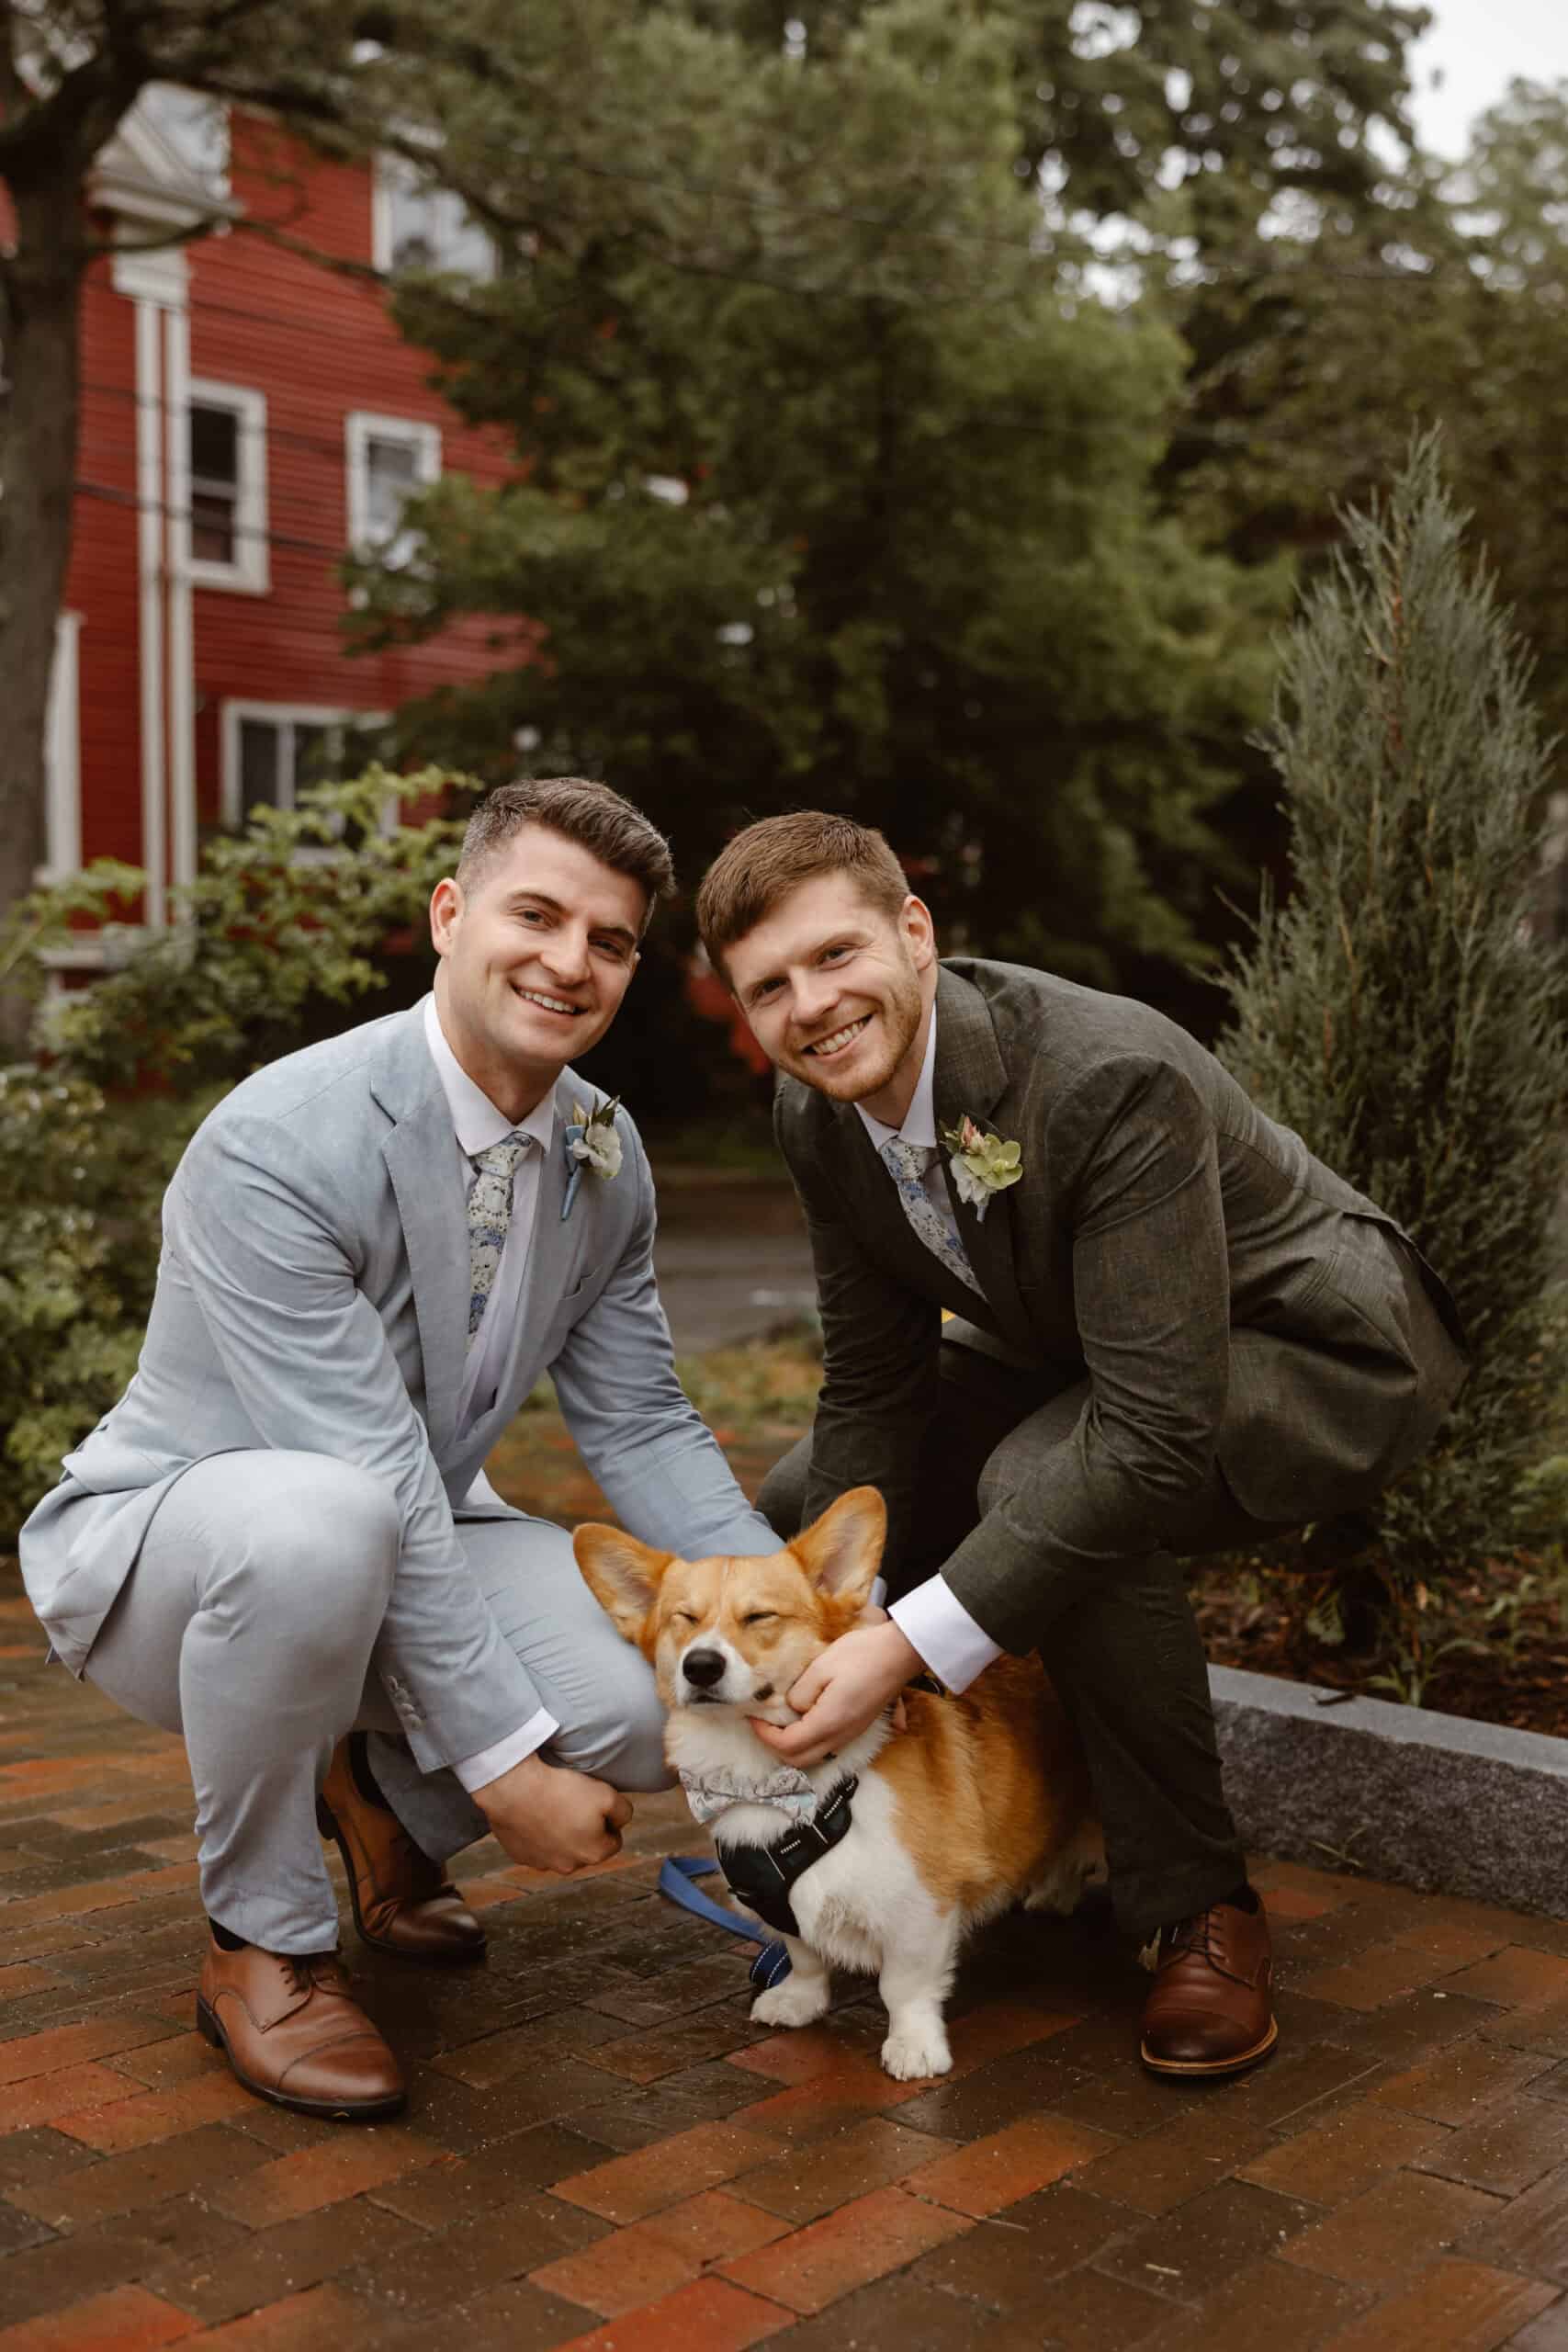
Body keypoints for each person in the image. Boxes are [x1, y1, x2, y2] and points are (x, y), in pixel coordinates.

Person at [19, 777, 779, 2120]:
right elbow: (363, 1477)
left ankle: (381, 1806)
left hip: (404, 1526)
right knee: (326, 1525)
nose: (568, 961)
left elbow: (644, 1417)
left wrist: (804, 1637)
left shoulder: (605, 1150)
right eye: (535, 915)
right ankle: (263, 1943)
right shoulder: (279, 1140)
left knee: (642, 1685)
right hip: (180, 1554)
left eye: (608, 941)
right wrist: (501, 1769)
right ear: (448, 914)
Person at [694, 811, 1468, 2077]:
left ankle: (1196, 1907)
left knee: (1062, 1485)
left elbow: (1156, 1434)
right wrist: (809, 1634)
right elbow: (877, 1383)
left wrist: (900, 1645)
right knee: (812, 1500)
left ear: (916, 930)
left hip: (1317, 1350)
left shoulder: (1109, 1076)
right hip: (1086, 1348)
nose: (812, 1007)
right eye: (768, 987)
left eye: (835, 956)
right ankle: (929, 1833)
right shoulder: (814, 1114)